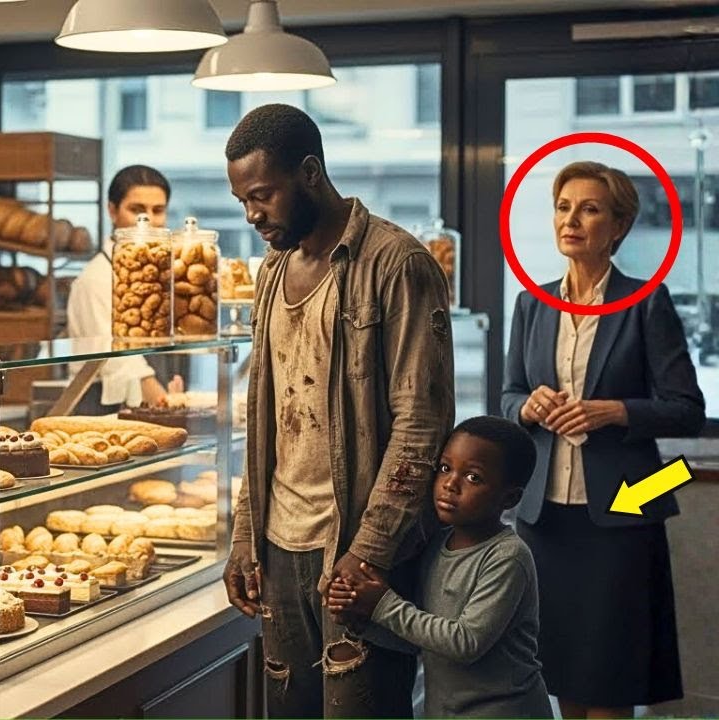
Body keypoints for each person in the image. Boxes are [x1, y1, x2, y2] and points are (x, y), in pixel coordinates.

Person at [221, 103, 454, 718]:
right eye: (243, 199)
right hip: (279, 548)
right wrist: (245, 535)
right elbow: (264, 418)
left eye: (263, 195)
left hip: (357, 552)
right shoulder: (271, 273)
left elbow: (421, 423)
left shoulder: (398, 264)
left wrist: (370, 548)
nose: (253, 215)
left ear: (310, 173)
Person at [502, 161, 705, 719]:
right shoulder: (531, 303)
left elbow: (689, 410)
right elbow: (507, 396)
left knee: (611, 678)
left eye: (589, 208)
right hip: (545, 519)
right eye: (563, 207)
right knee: (561, 670)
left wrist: (614, 411)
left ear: (618, 226)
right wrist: (527, 407)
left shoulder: (647, 302)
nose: (571, 220)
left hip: (622, 512)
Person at [327, 416, 552, 719]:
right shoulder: (435, 545)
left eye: (473, 478)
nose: (450, 484)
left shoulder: (507, 558)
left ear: (509, 498)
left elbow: (465, 642)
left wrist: (382, 604)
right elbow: (424, 637)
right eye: (445, 468)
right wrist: (360, 617)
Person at [66, 165, 181, 414]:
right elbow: (120, 363)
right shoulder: (95, 279)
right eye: (136, 209)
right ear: (112, 210)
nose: (147, 220)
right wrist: (171, 410)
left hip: (151, 408)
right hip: (102, 414)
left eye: (157, 210)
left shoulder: (162, 274)